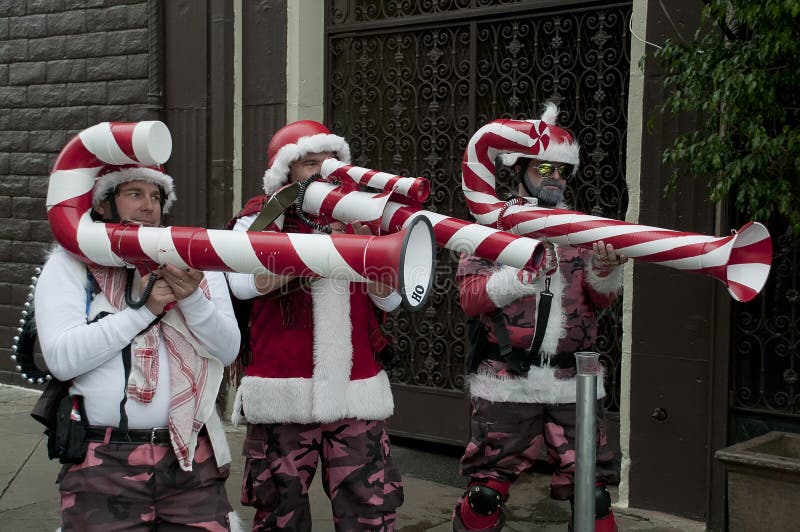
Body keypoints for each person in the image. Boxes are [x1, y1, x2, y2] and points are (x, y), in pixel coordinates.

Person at [35, 162, 242, 531]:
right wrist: (145, 310)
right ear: (103, 205)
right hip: (103, 460)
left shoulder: (195, 261)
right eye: (134, 194)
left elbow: (228, 350)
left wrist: (192, 299)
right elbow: (62, 359)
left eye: (156, 196)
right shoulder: (71, 264)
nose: (149, 206)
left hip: (190, 455)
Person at [452, 103, 626, 532]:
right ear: (521, 168)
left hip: (574, 383)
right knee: (486, 491)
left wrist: (607, 269)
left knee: (596, 494)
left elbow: (601, 299)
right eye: (545, 167)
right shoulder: (489, 227)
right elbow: (471, 298)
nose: (555, 178)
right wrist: (519, 275)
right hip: (507, 379)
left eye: (562, 171)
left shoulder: (582, 227)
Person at [227, 120, 404, 531]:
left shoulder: (363, 217)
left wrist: (366, 251)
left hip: (356, 393)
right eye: (309, 163)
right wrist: (319, 249)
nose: (322, 171)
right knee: (279, 513)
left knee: (371, 512)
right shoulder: (260, 217)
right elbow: (240, 283)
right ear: (285, 174)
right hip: (282, 393)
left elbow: (392, 298)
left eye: (329, 162)